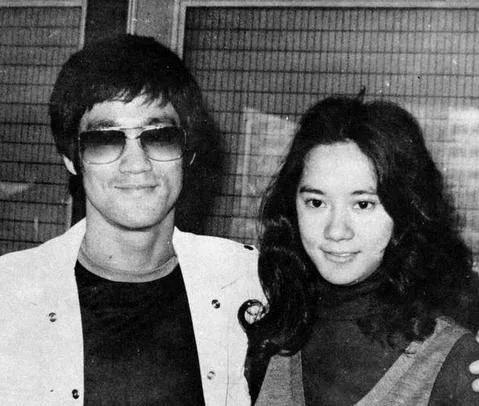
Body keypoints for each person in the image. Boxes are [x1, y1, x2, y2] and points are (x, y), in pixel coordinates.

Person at [0, 34, 263, 405]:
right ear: (71, 159)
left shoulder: (248, 281)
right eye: (105, 140)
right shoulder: (11, 297)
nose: (136, 164)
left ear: (187, 151)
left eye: (160, 137)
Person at [240, 95, 479, 405]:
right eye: (316, 202)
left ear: (405, 210)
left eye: (363, 204)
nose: (336, 231)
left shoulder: (455, 360)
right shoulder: (268, 332)